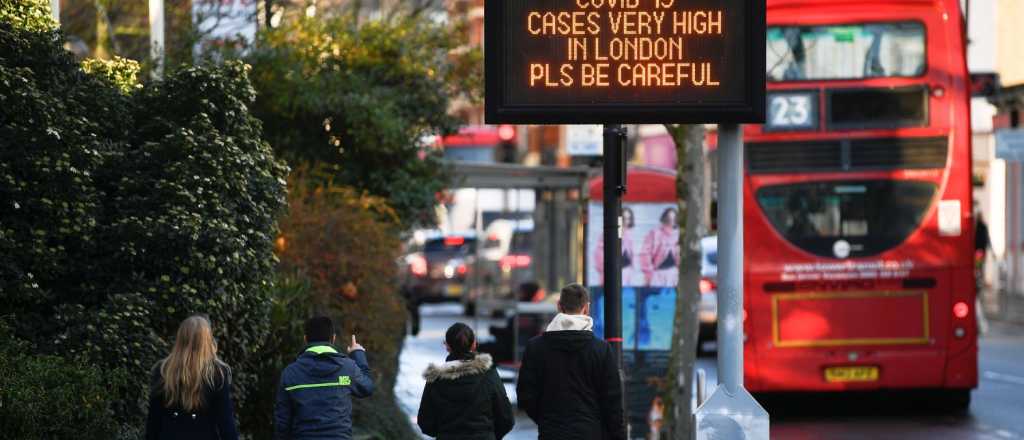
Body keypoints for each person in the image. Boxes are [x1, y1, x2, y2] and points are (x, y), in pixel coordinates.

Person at [516, 284, 626, 440]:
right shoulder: (601, 349)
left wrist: (546, 419)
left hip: (551, 431)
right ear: (586, 308)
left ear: (559, 306)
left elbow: (526, 395)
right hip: (590, 431)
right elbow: (612, 402)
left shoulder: (536, 347)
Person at [274, 316, 374, 440]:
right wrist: (357, 353)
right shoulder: (347, 368)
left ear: (305, 339)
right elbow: (367, 388)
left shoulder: (290, 373)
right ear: (333, 338)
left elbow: (282, 423)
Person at [146, 315, 239, 440]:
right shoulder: (217, 374)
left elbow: (153, 422)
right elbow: (226, 423)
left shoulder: (163, 370)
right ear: (207, 340)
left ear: (180, 339)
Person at [417, 323, 515, 439]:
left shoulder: (435, 378)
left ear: (447, 346)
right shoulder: (488, 375)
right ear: (474, 344)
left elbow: (425, 422)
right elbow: (506, 418)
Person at [595, 207, 643, 286]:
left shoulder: (631, 235)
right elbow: (599, 255)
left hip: (628, 274)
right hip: (612, 274)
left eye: (628, 219)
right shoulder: (608, 234)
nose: (626, 222)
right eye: (623, 218)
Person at [639, 208, 680, 287]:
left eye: (673, 219)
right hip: (658, 274)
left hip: (674, 273)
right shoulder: (655, 233)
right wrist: (649, 272)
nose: (671, 222)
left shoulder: (677, 234)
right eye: (669, 219)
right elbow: (644, 253)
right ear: (664, 219)